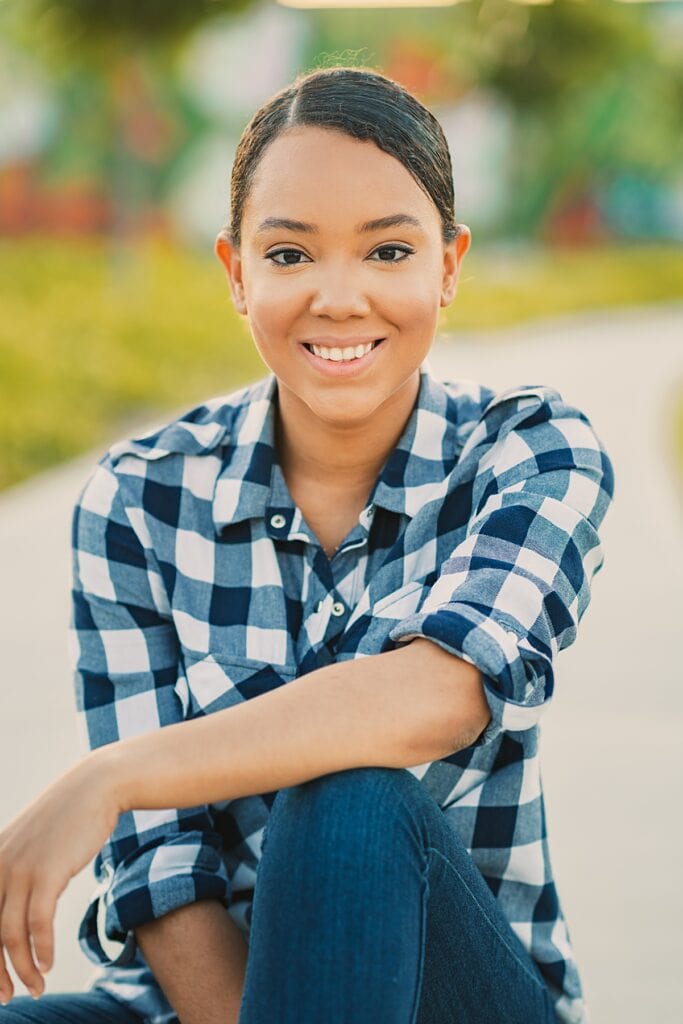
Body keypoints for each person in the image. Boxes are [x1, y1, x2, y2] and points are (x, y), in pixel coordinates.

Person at [0, 65, 614, 1024]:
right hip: (202, 1006)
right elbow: (164, 871)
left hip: (450, 1003)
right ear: (236, 274)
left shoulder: (529, 453)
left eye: (387, 252)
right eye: (289, 256)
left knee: (346, 800)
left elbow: (443, 695)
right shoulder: (139, 498)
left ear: (447, 267)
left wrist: (109, 777)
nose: (338, 298)